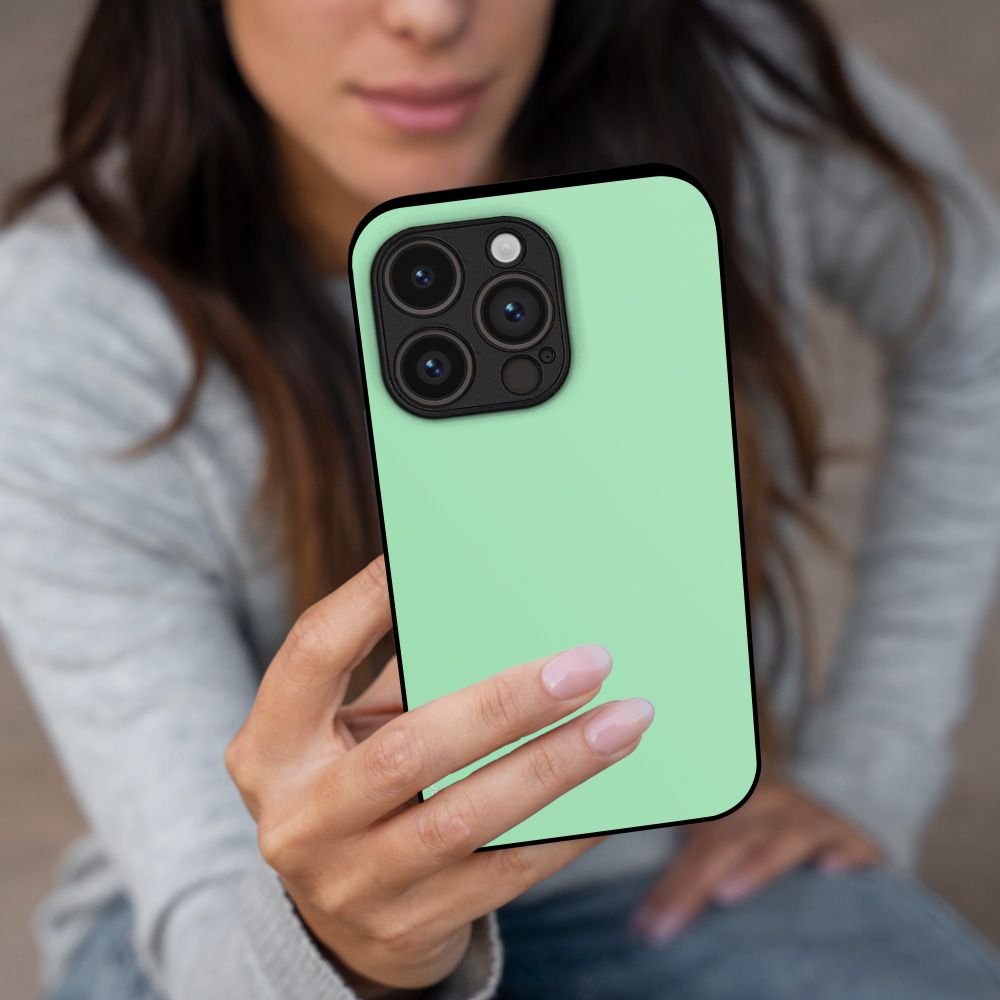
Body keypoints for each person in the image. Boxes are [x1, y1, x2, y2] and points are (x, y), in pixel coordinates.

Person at [3, 1, 1000, 997]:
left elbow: (973, 325)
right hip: (265, 928)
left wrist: (868, 766)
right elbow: (209, 937)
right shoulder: (74, 328)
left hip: (673, 860)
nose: (430, 16)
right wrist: (345, 940)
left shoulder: (734, 98)